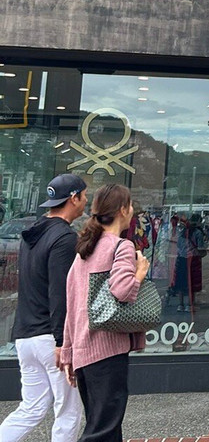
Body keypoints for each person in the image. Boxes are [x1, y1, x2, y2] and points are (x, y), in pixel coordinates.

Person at [0, 174, 87, 442]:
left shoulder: (32, 235)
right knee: (68, 411)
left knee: (31, 408)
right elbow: (61, 294)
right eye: (84, 195)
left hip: (25, 334)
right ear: (73, 198)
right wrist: (62, 342)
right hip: (51, 338)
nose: (86, 201)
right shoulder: (64, 238)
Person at [59, 184, 149, 442]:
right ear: (122, 210)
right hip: (107, 352)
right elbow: (122, 290)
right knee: (103, 431)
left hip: (84, 353)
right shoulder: (120, 247)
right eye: (130, 205)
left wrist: (68, 352)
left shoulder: (85, 249)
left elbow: (72, 304)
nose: (132, 210)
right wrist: (140, 272)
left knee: (104, 428)